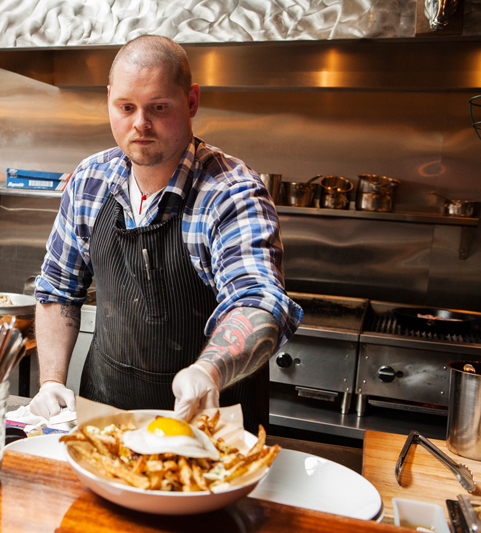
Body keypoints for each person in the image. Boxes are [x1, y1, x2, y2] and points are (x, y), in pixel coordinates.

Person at [28, 35, 302, 432]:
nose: (140, 123)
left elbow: (257, 301)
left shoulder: (230, 192)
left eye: (158, 107)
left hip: (209, 431)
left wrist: (208, 371)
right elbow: (57, 290)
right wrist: (51, 380)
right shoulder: (90, 180)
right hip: (107, 423)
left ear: (191, 101)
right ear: (109, 99)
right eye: (126, 107)